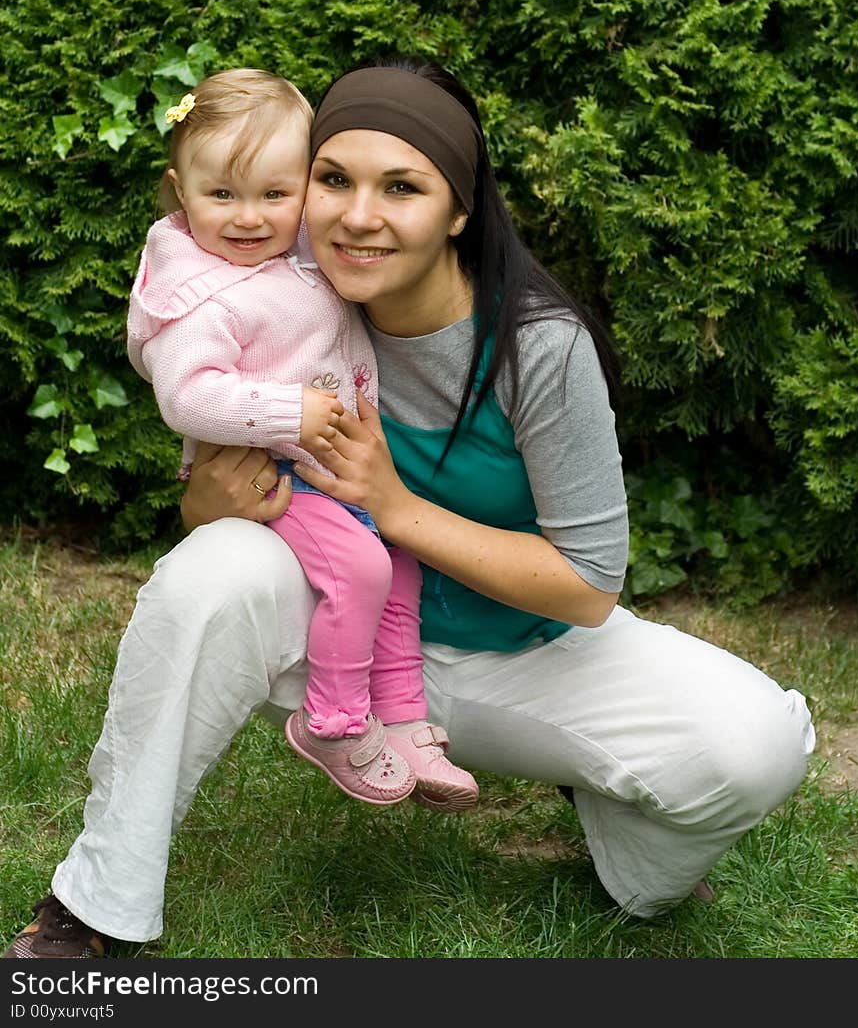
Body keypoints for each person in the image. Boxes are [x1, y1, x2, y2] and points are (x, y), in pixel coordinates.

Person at [5, 56, 815, 960]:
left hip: (525, 655)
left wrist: (392, 506)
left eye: (402, 188)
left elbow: (590, 586)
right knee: (207, 579)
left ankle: (615, 837)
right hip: (336, 636)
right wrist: (207, 501)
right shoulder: (282, 289)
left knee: (755, 746)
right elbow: (217, 436)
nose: (358, 216)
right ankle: (97, 907)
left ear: (459, 210)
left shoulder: (538, 347)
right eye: (333, 180)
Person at [125, 67, 477, 811]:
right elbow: (186, 395)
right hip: (276, 474)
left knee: (401, 565)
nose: (249, 217)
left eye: (274, 195)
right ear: (178, 192)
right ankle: (337, 722)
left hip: (329, 469)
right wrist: (291, 413)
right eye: (222, 195)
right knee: (360, 569)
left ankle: (406, 721)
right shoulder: (202, 295)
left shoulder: (295, 258)